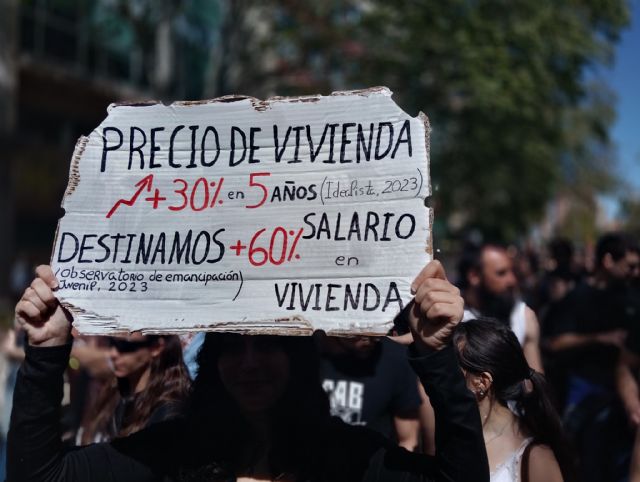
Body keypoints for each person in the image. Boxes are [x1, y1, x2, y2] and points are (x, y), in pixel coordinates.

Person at [8, 261, 489, 482]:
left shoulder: (347, 457)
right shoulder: (174, 451)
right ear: (213, 360)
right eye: (233, 347)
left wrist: (436, 355)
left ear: (299, 356)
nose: (250, 362)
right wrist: (48, 351)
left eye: (268, 344)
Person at [545, 232, 633, 482]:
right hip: (585, 388)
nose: (632, 272)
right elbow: (555, 342)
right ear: (608, 260)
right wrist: (599, 338)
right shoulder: (578, 297)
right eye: (628, 265)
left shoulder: (628, 295)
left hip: (619, 396)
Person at [453, 318, 574, 482]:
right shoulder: (452, 435)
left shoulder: (536, 457)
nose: (442, 379)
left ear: (482, 382)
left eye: (452, 371)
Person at [78, 333, 190, 444]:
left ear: (156, 348)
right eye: (111, 343)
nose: (113, 353)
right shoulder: (115, 391)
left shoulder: (169, 411)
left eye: (125, 346)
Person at [461, 244, 543, 373]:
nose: (512, 280)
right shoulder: (456, 318)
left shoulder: (523, 317)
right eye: (501, 273)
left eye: (513, 271)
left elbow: (536, 377)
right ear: (474, 276)